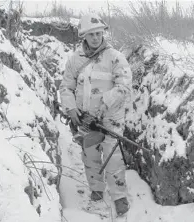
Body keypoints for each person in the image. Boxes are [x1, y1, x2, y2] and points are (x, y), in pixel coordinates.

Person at [59, 13, 132, 216]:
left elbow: (124, 87)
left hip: (111, 120)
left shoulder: (116, 57)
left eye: (99, 33)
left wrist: (103, 105)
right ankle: (97, 190)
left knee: (113, 157)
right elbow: (66, 86)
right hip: (85, 121)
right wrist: (71, 108)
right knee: (90, 156)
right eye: (91, 34)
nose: (96, 38)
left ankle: (119, 196)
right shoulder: (75, 59)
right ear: (84, 36)